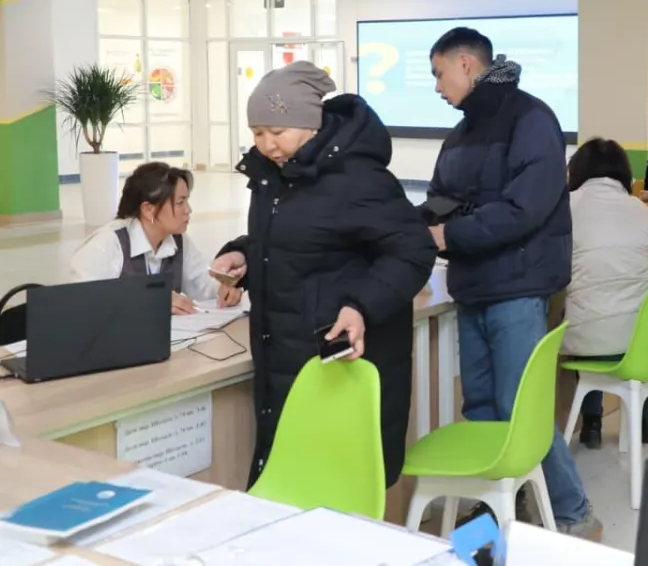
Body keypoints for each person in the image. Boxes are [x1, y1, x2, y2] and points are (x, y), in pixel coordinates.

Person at [210, 62, 436, 488]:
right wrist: (245, 253)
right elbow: (300, 238)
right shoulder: (272, 177)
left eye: (277, 132)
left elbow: (413, 250)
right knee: (293, 485)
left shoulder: (358, 178)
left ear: (310, 124)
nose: (267, 145)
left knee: (338, 490)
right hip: (285, 357)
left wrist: (361, 306)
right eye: (257, 133)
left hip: (338, 361)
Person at [424, 27, 600, 538]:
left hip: (518, 287)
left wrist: (451, 232)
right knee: (481, 408)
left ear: (465, 64)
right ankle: (496, 507)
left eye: (438, 74)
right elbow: (439, 198)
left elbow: (524, 209)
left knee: (521, 411)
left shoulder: (531, 119)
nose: (436, 87)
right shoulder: (461, 133)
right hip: (473, 285)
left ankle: (574, 514)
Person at [561, 137, 648, 450]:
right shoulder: (640, 209)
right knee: (635, 315)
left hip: (588, 336)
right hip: (640, 339)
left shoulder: (567, 206)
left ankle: (591, 425)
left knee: (588, 313)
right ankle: (645, 423)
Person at [70, 162, 242, 314]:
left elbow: (201, 282)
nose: (188, 210)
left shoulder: (179, 240)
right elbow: (81, 302)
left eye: (187, 201)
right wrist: (152, 300)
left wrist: (222, 290)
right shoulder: (108, 243)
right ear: (148, 210)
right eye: (180, 202)